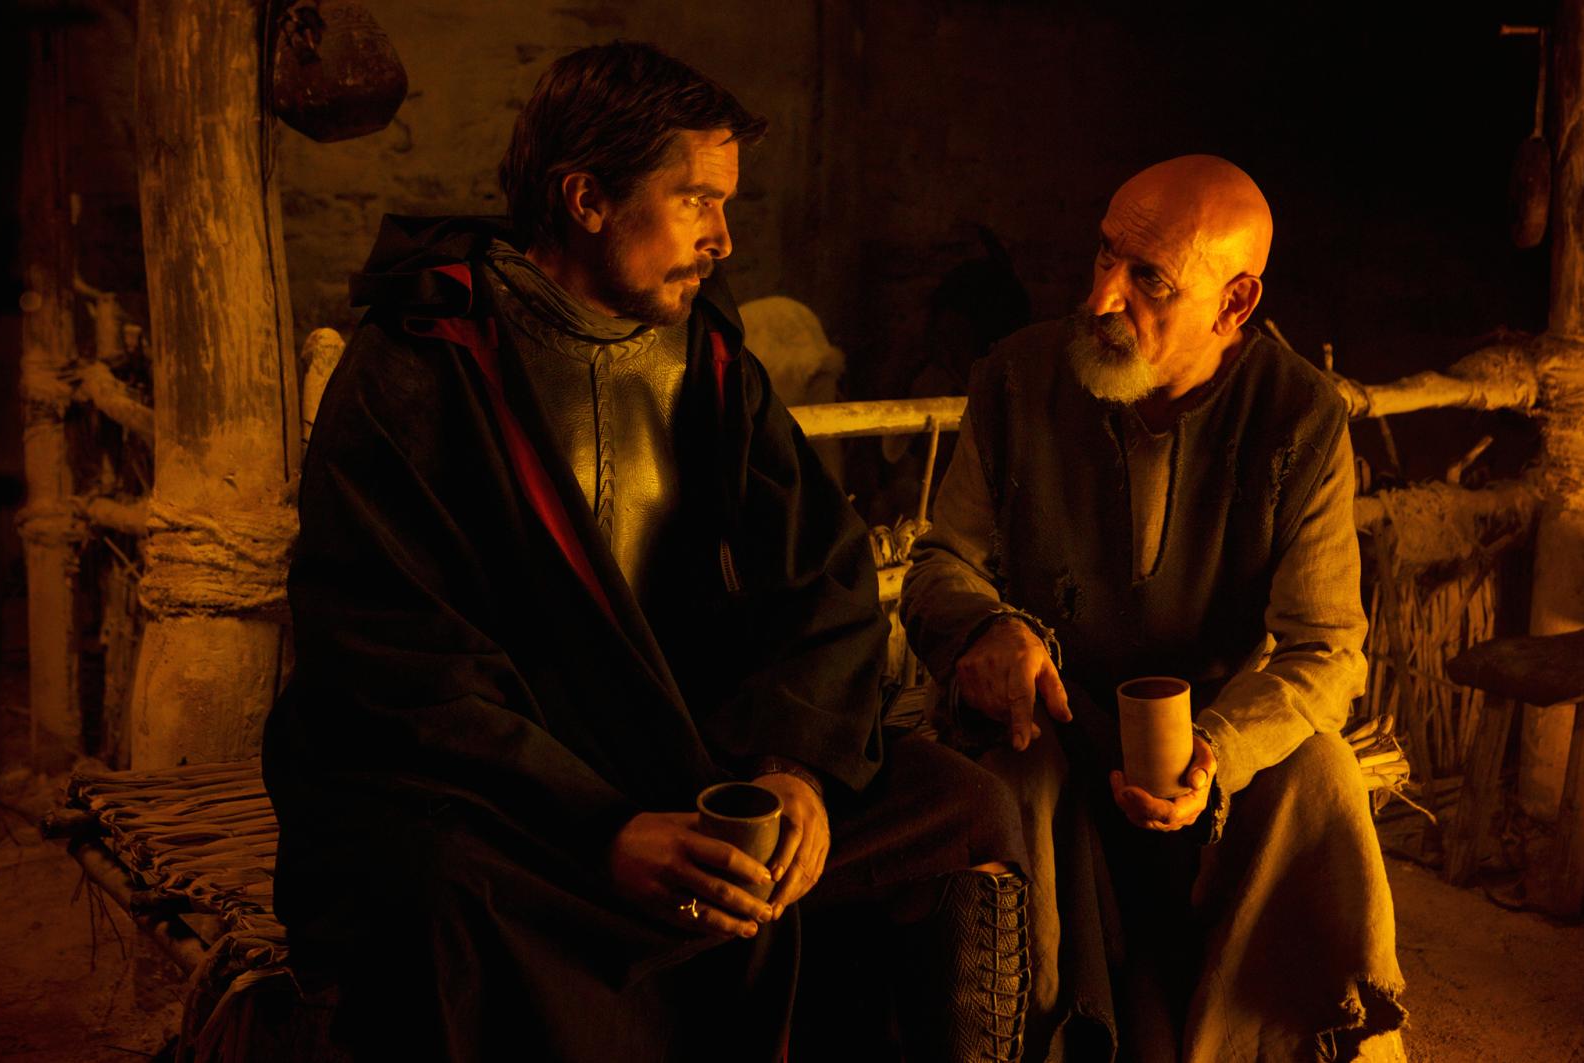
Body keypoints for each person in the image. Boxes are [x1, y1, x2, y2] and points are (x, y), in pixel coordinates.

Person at [263, 41, 1030, 1063]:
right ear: (585, 199)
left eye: (726, 205)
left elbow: (821, 571)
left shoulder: (704, 355)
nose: (722, 239)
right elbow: (395, 659)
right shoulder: (423, 358)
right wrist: (602, 831)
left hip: (685, 753)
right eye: (695, 200)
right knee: (447, 891)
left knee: (964, 811)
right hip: (504, 792)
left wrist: (796, 770)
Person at [900, 155, 1407, 1063]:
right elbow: (944, 559)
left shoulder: (1298, 416)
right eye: (1104, 256)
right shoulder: (1019, 377)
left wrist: (1216, 749)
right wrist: (988, 628)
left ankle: (1268, 1042)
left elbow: (1326, 649)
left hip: (1207, 752)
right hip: (1050, 721)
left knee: (1323, 773)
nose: (1102, 297)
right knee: (1012, 782)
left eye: (1149, 280)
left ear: (1235, 302)